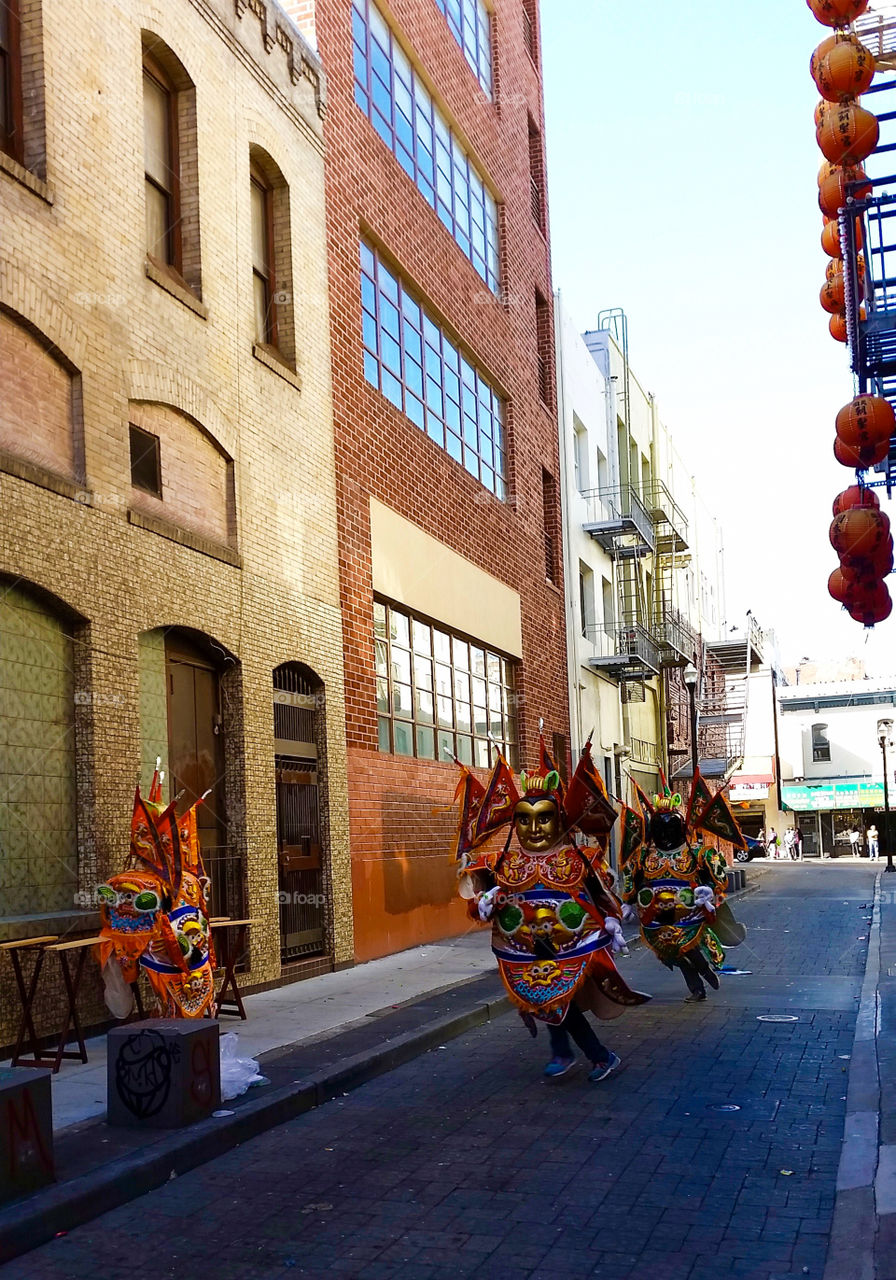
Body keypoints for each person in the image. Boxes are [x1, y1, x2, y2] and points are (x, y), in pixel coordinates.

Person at [455, 736, 650, 1083]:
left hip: (572, 945)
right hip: (526, 948)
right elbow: (487, 896)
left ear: (559, 819)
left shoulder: (578, 858)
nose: (533, 829)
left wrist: (611, 921)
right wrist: (484, 905)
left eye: (543, 819)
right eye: (524, 820)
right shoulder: (506, 862)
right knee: (547, 1000)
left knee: (556, 1000)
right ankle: (570, 1053)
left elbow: (602, 896)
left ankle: (595, 1056)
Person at [620, 774, 748, 1003]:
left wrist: (709, 891)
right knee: (672, 952)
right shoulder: (643, 855)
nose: (665, 834)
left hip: (689, 914)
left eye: (670, 827)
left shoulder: (698, 853)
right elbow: (634, 879)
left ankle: (702, 980)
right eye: (660, 828)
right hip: (656, 916)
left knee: (687, 947)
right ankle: (699, 982)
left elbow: (717, 879)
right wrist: (627, 902)